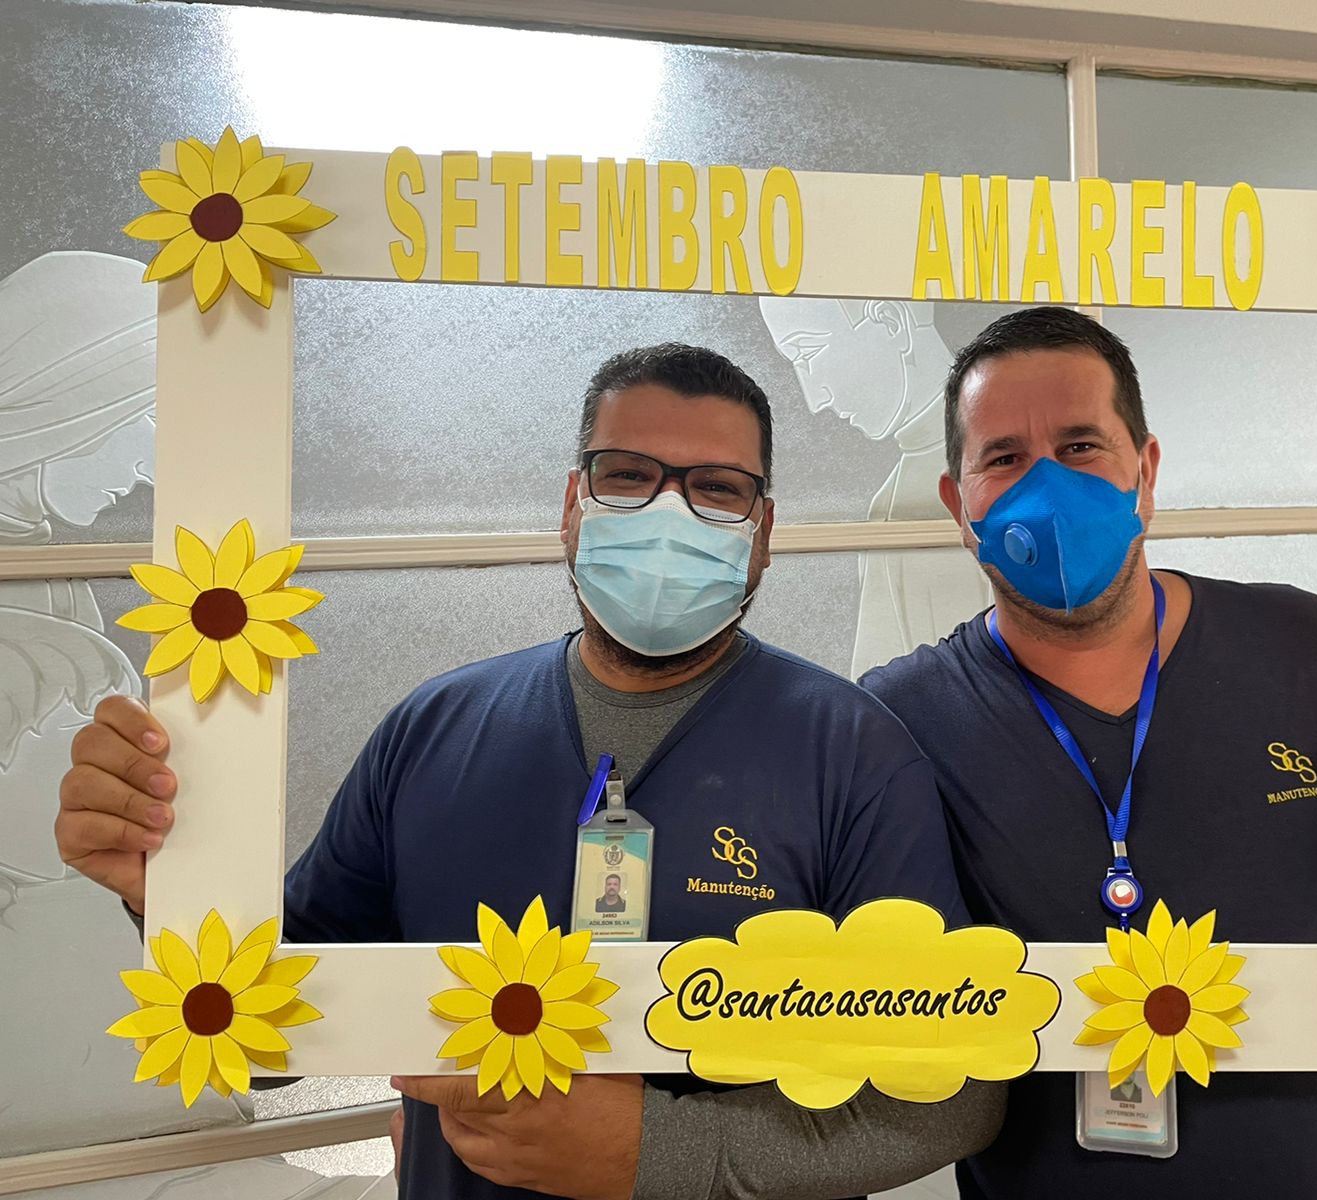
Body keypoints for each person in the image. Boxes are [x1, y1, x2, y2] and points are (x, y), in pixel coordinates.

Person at [56, 344, 1004, 1200]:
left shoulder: (853, 755)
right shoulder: (431, 733)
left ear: (761, 532)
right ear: (571, 504)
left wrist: (662, 1155)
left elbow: (949, 1096)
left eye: (716, 489)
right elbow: (276, 1043)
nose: (668, 513)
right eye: (627, 476)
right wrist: (167, 892)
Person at [861, 306, 1317, 1198]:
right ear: (959, 503)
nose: (1046, 486)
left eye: (1081, 446)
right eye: (1005, 458)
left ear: (1146, 470)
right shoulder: (897, 724)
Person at [760, 296, 990, 674]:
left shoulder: (905, 502)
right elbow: (871, 687)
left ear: (891, 322)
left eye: (809, 353)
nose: (816, 398)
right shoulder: (887, 508)